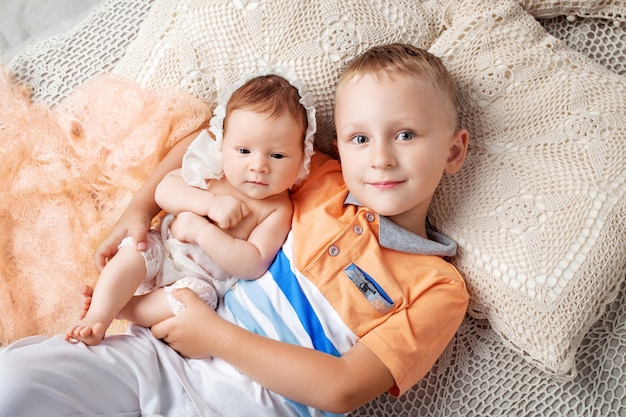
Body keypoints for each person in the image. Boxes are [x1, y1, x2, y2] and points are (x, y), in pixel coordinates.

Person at [0, 43, 469, 416]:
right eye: (360, 139)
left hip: (251, 403)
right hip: (163, 358)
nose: (380, 157)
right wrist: (139, 210)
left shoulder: (438, 289)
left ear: (453, 152)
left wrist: (213, 336)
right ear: (336, 148)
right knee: (18, 383)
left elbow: (341, 389)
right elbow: (218, 134)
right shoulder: (321, 180)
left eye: (405, 134)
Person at [65, 72, 317, 345]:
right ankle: (99, 314)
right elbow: (165, 190)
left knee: (195, 301)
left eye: (277, 155)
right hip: (162, 248)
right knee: (135, 249)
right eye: (243, 151)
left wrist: (201, 231)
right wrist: (208, 203)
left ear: (303, 156)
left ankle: (123, 308)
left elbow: (252, 263)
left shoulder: (277, 208)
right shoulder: (213, 169)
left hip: (199, 280)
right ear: (223, 143)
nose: (258, 165)